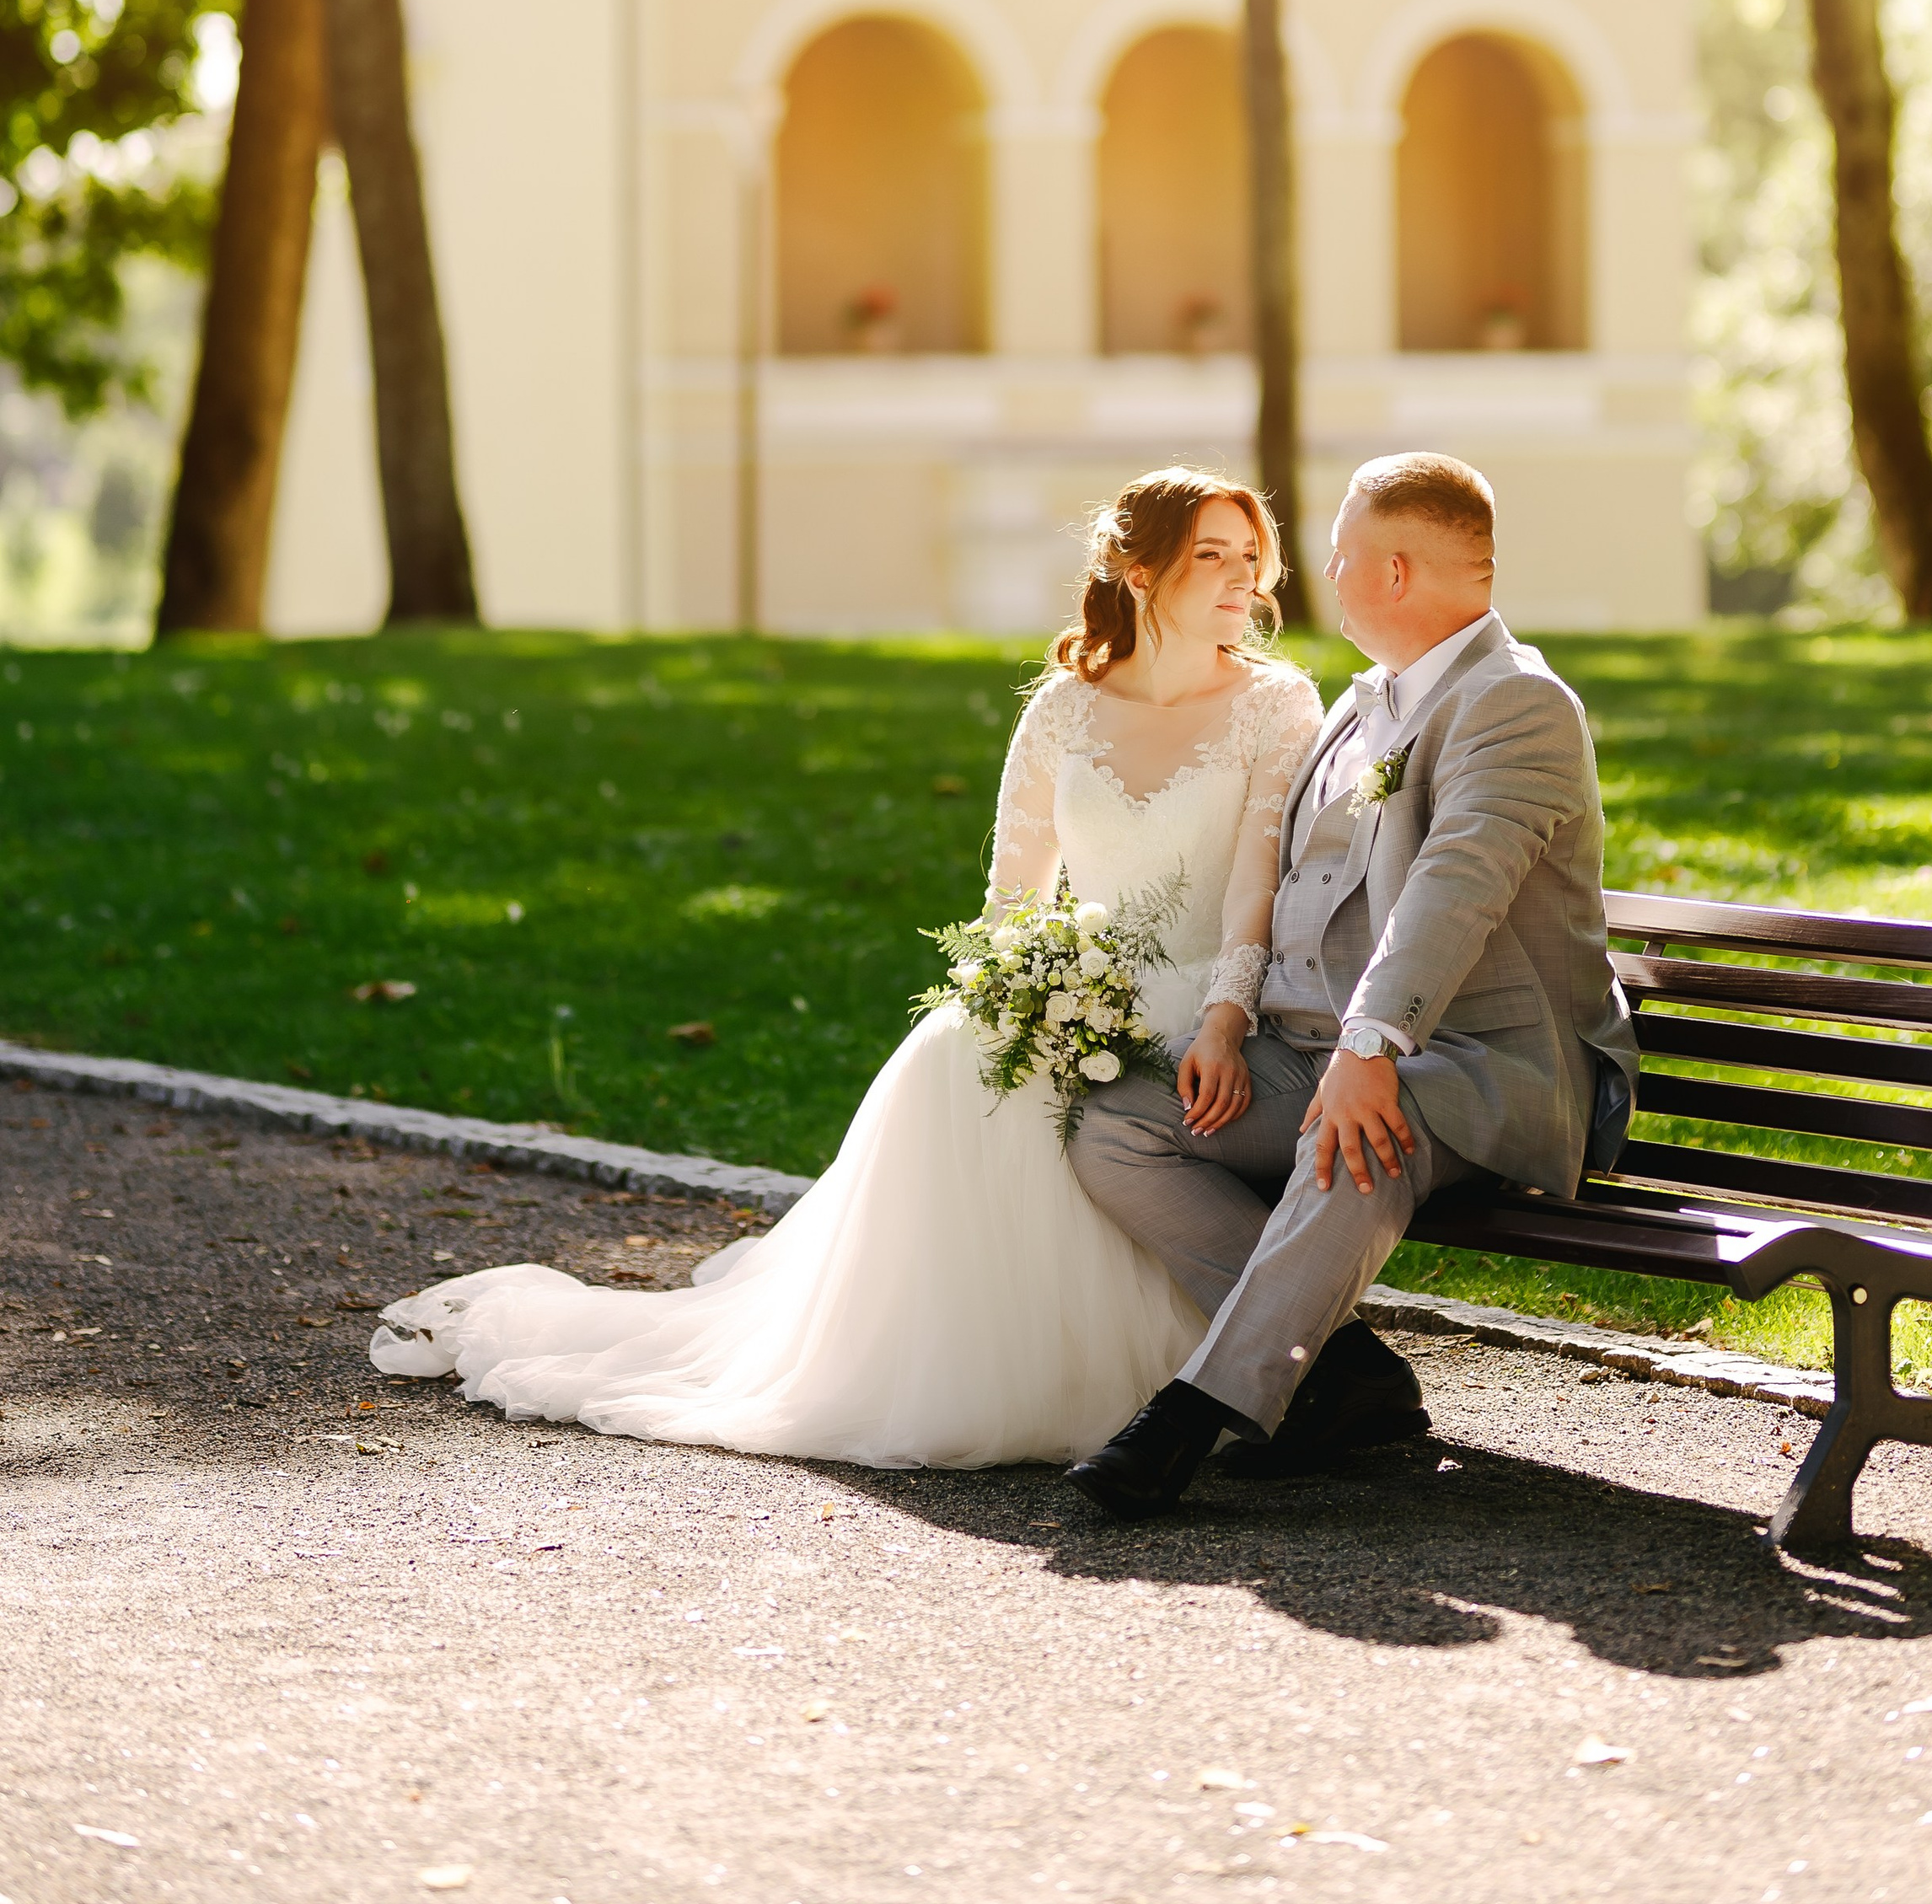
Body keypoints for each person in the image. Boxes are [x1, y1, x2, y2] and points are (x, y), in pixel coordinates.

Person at [369, 468, 1322, 1469]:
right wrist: (1022, 991)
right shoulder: (1063, 708)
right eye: (1210, 554)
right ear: (1139, 569)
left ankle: (1215, 1367)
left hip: (1209, 994)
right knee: (959, 1056)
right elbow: (1010, 897)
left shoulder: (1274, 702)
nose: (1238, 577)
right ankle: (962, 1360)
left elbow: (1256, 887)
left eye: (1249, 556)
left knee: (1079, 1098)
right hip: (1076, 982)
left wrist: (1220, 1017)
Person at [1065, 449, 1637, 1521]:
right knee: (1118, 1123)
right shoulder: (1361, 702)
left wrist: (1370, 1046)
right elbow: (1290, 880)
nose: (1319, 568)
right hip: (1313, 1050)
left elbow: (1454, 888)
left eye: (1338, 549)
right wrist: (1232, 1026)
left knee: (1359, 1128)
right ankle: (1343, 1374)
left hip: (1483, 1066)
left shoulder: (1515, 704)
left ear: (1394, 572)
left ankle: (1194, 1412)